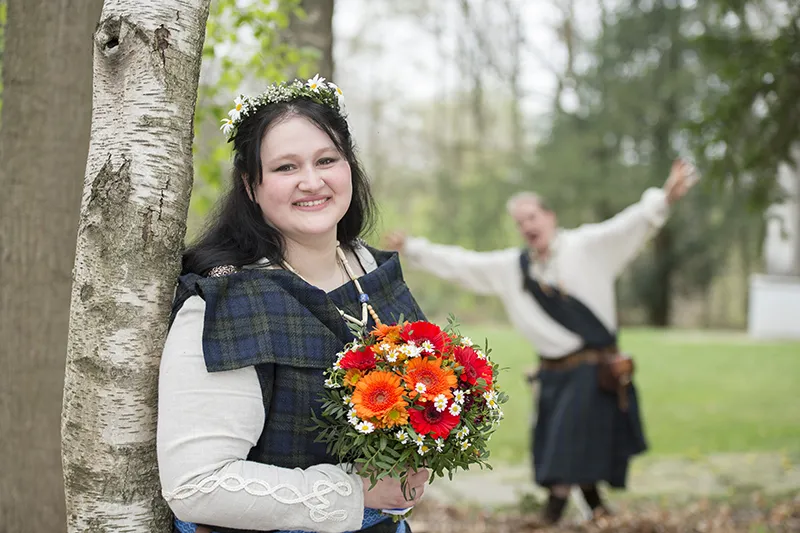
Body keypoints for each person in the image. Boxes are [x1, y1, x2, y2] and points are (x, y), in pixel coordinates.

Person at [157, 75, 429, 533]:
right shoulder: (223, 303)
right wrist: (356, 493)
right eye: (286, 167)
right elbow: (195, 484)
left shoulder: (372, 269)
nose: (311, 181)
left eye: (327, 159)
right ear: (250, 185)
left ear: (349, 167)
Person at [384, 160, 697, 525]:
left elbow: (630, 225)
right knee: (562, 440)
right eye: (520, 222)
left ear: (550, 217)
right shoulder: (512, 269)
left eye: (532, 217)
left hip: (594, 369)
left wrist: (665, 198)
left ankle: (555, 512)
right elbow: (464, 264)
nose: (527, 227)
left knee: (570, 440)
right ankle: (595, 508)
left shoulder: (588, 246)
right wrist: (414, 248)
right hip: (552, 371)